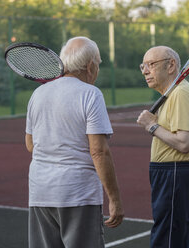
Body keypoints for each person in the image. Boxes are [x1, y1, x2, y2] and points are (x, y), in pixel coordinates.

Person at [25, 36, 124, 248]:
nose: (97, 69)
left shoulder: (37, 94)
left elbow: (31, 144)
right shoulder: (91, 94)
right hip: (77, 193)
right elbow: (99, 152)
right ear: (90, 66)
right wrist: (114, 199)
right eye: (98, 64)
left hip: (40, 192)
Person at [137, 46, 189, 248]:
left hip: (176, 172)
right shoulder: (174, 94)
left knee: (167, 239)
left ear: (171, 65)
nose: (145, 71)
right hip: (171, 173)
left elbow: (184, 143)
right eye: (143, 66)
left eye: (151, 64)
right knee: (178, 238)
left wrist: (151, 125)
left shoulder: (180, 93)